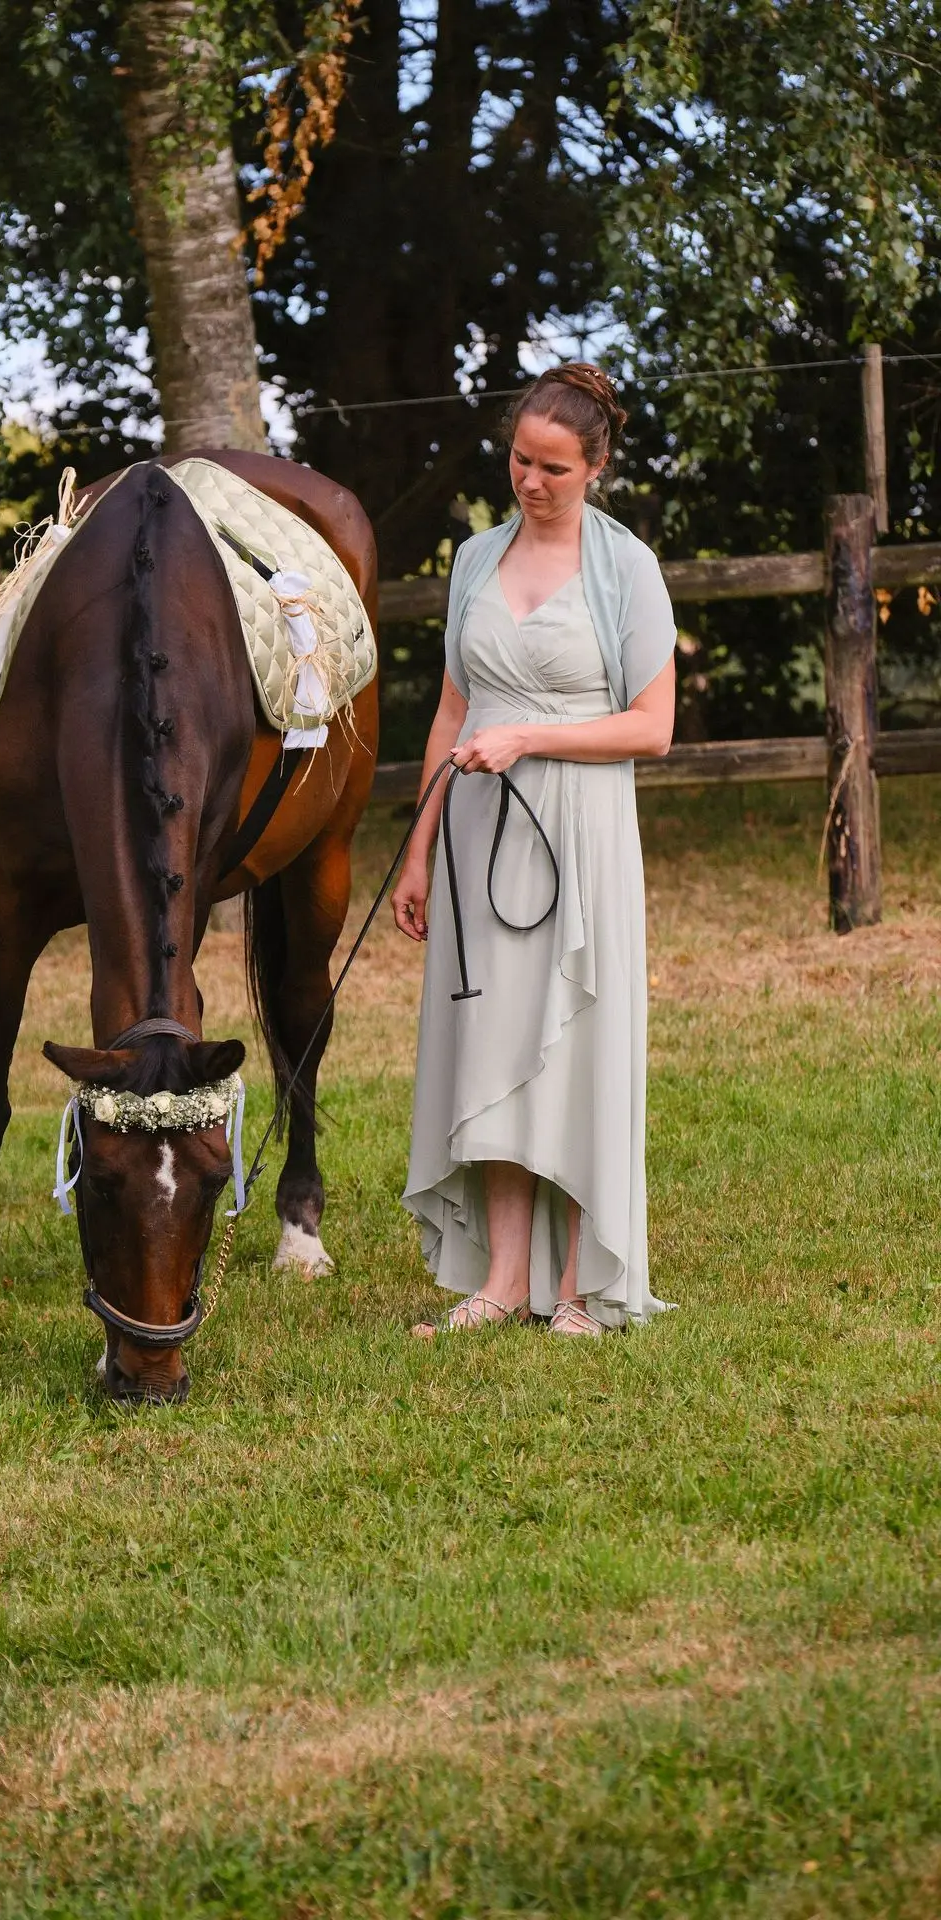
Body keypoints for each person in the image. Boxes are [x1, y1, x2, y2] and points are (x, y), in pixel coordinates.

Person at [392, 364, 677, 1338]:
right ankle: (503, 1277)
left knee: (568, 1046)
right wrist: (417, 849)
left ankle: (575, 1288)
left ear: (594, 467)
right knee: (493, 1045)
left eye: (553, 466)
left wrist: (529, 738)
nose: (530, 481)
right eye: (519, 459)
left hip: (578, 827)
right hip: (476, 832)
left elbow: (650, 729)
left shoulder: (624, 569)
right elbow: (450, 710)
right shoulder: (473, 560)